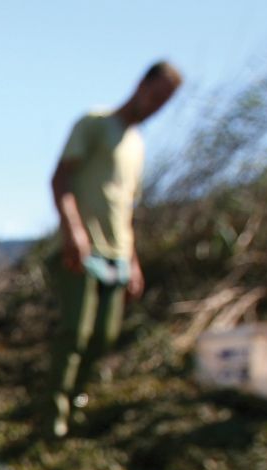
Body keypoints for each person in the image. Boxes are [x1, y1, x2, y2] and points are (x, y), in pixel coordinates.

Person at [42, 62, 182, 439]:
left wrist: (133, 261)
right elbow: (60, 179)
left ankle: (77, 401)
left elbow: (126, 209)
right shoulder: (94, 123)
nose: (157, 105)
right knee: (76, 331)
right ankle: (53, 417)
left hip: (117, 253)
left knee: (104, 336)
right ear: (142, 84)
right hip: (83, 248)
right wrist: (74, 231)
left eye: (166, 101)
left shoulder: (137, 145)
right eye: (157, 94)